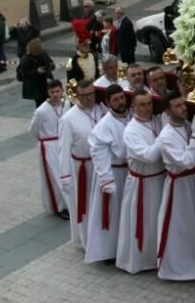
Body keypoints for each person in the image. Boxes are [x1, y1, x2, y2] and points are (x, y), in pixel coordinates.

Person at [156, 90, 195, 281]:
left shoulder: (188, 125)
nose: (183, 108)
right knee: (184, 227)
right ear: (168, 111)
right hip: (180, 188)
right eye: (177, 106)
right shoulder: (166, 136)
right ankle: (183, 266)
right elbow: (187, 161)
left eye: (183, 104)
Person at [117, 89, 166, 274]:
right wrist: (166, 134)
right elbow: (149, 156)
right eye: (142, 105)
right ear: (133, 107)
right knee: (145, 222)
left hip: (160, 179)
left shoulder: (155, 121)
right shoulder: (131, 130)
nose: (147, 108)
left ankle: (159, 255)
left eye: (150, 104)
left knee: (158, 221)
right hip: (143, 184)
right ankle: (142, 260)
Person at [85, 83, 131, 264]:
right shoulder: (104, 125)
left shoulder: (132, 116)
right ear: (107, 102)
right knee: (113, 214)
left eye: (122, 98)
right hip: (114, 174)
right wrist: (106, 180)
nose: (120, 102)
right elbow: (98, 152)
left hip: (130, 172)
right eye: (116, 100)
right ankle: (108, 251)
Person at [58, 79, 107, 248]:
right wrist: (65, 177)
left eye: (92, 94)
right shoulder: (68, 119)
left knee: (103, 205)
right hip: (83, 169)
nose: (89, 98)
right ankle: (88, 242)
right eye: (84, 95)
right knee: (86, 206)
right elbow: (63, 149)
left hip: (102, 165)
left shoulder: (101, 109)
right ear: (77, 96)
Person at [29, 78, 71, 219]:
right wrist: (43, 143)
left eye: (58, 91)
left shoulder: (66, 104)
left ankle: (71, 203)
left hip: (64, 142)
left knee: (67, 174)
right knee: (56, 177)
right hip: (49, 145)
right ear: (48, 92)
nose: (55, 94)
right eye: (52, 92)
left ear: (62, 91)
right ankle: (61, 206)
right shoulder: (41, 111)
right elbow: (33, 130)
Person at [18, 38, 55, 107]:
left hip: (45, 82)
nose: (38, 53)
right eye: (36, 52)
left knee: (48, 102)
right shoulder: (26, 59)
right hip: (35, 86)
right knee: (41, 103)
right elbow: (24, 74)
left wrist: (50, 66)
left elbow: (50, 63)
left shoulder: (42, 53)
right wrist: (36, 71)